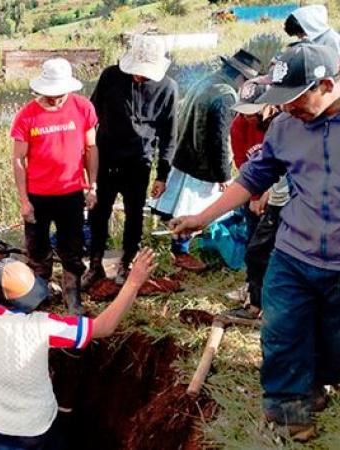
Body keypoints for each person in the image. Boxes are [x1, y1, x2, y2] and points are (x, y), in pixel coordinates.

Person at [171, 44, 340, 441]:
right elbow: (252, 178)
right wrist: (201, 217)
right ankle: (287, 411)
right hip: (294, 252)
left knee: (332, 337)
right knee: (282, 331)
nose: (285, 109)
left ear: (327, 85)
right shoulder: (284, 127)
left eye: (294, 99)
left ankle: (317, 384)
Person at [0, 249, 157, 449]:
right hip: (35, 431)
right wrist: (133, 282)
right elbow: (104, 327)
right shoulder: (41, 326)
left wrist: (1, 374)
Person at [152, 49, 262, 272]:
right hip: (205, 163)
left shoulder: (205, 81)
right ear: (242, 77)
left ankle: (197, 249)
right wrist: (224, 175)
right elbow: (220, 139)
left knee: (188, 208)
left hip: (185, 153)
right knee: (196, 209)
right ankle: (183, 253)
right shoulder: (227, 95)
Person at [85, 36, 177, 287]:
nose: (139, 77)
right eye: (136, 72)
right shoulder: (111, 77)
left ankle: (126, 264)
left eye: (145, 74)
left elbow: (169, 135)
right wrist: (85, 158)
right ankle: (94, 265)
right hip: (105, 158)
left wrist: (162, 174)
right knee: (98, 213)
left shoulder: (167, 88)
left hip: (139, 162)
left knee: (135, 216)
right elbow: (90, 116)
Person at [11, 58, 99, 314]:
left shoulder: (83, 108)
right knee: (37, 250)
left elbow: (91, 148)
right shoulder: (27, 115)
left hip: (71, 192)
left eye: (60, 95)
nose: (55, 100)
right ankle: (40, 295)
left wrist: (92, 185)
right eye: (50, 95)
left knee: (72, 248)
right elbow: (18, 159)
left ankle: (72, 295)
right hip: (38, 195)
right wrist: (24, 201)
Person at [224, 80, 286, 320]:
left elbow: (287, 168)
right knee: (254, 250)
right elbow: (243, 163)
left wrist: (269, 194)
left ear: (269, 105)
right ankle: (255, 302)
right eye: (245, 112)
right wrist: (255, 197)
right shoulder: (239, 125)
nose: (249, 118)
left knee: (277, 252)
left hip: (285, 197)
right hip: (253, 194)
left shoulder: (283, 123)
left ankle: (276, 304)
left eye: (254, 112)